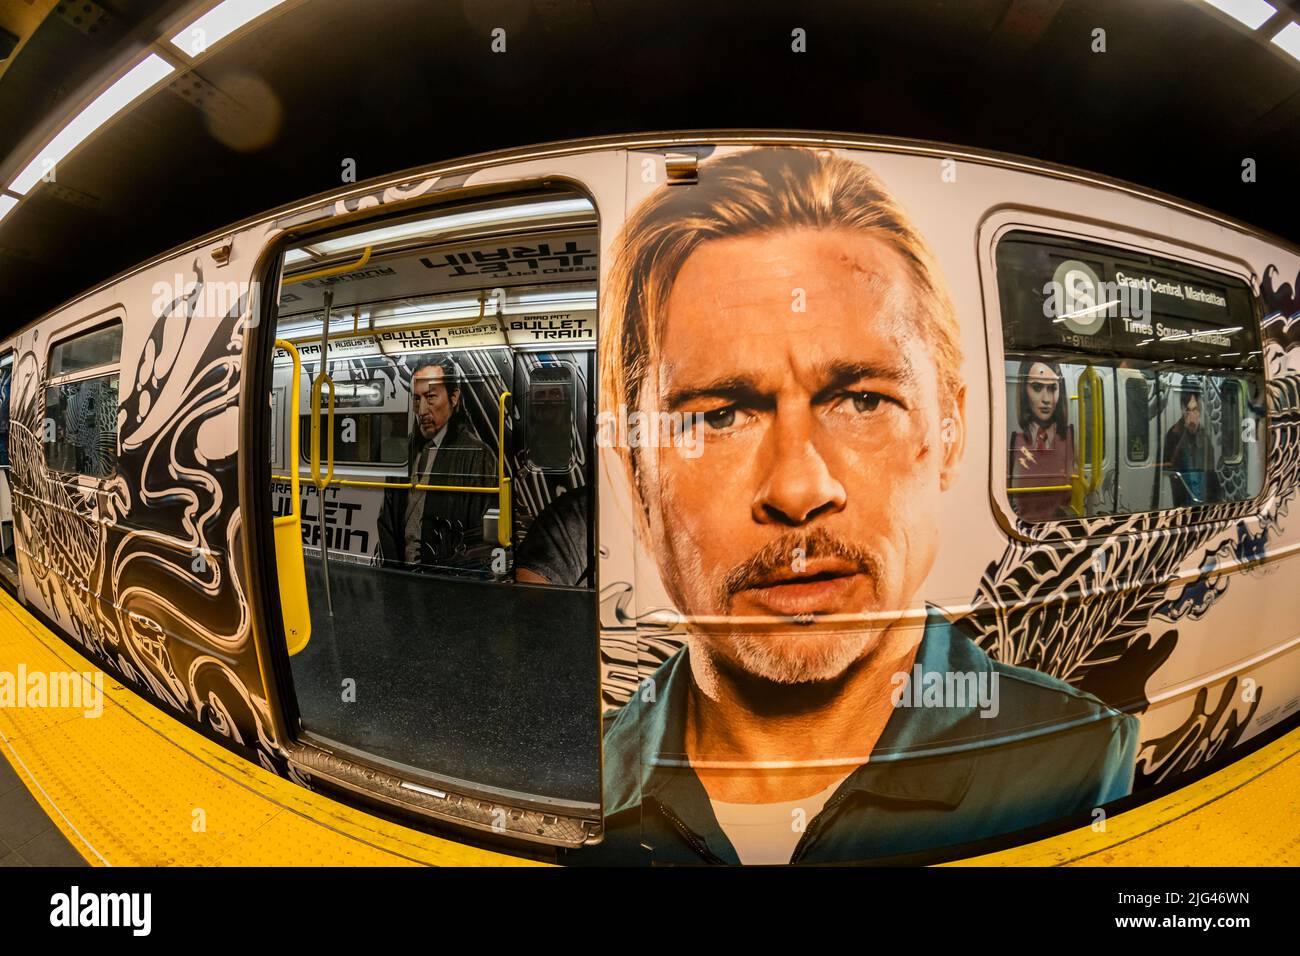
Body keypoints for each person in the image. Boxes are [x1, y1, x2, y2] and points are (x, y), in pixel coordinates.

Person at [583, 147, 1137, 865]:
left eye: (863, 400)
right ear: (635, 476)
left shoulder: (1075, 765)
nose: (799, 490)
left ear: (948, 436)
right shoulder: (580, 791)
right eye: (720, 416)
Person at [376, 355, 498, 570]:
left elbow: (480, 534)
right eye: (416, 399)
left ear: (454, 398)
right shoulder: (404, 451)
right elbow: (387, 521)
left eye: (431, 397)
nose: (422, 410)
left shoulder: (477, 455)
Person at [1008, 358, 1076, 521]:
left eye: (1053, 388)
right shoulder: (1015, 440)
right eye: (1037, 387)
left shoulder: (1068, 437)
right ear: (1024, 390)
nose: (1046, 399)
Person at [1163, 385, 1220, 507]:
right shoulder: (1173, 435)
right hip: (1183, 502)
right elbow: (1169, 468)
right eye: (1188, 410)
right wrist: (1184, 433)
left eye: (1194, 410)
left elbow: (1211, 473)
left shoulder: (1205, 437)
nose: (1191, 415)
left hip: (1203, 501)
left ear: (1199, 412)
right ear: (1183, 411)